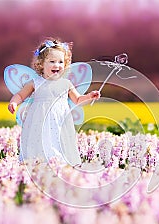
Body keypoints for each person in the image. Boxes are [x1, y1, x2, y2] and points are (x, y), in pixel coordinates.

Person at [8, 38, 100, 166]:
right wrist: (14, 102)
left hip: (60, 121)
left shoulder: (66, 84)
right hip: (39, 122)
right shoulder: (35, 83)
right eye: (52, 61)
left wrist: (89, 96)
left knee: (60, 141)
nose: (57, 65)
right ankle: (38, 162)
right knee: (39, 140)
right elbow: (20, 95)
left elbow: (77, 99)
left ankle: (60, 164)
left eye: (60, 62)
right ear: (41, 64)